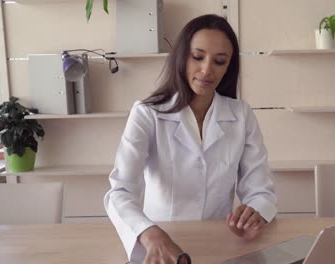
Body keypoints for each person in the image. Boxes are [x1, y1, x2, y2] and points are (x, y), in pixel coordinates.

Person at [104, 14, 277, 264]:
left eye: (219, 61)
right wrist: (148, 233)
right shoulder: (147, 113)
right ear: (182, 56)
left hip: (221, 245)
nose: (207, 70)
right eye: (197, 57)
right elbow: (120, 191)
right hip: (161, 247)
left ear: (229, 67)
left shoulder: (241, 115)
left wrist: (253, 213)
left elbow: (261, 190)